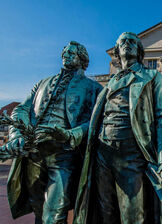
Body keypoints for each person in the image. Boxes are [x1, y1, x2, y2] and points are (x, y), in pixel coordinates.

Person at [73, 32, 162, 224]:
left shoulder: (152, 76)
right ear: (116, 51)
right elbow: (93, 120)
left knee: (133, 216)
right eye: (122, 41)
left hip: (132, 153)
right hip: (103, 153)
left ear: (139, 50)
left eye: (132, 41)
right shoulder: (111, 82)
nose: (127, 44)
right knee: (106, 211)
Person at [6, 41, 102, 224]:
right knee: (38, 208)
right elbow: (21, 109)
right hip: (34, 152)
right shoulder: (43, 83)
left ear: (82, 59)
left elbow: (98, 121)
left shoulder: (94, 88)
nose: (65, 55)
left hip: (65, 155)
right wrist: (17, 135)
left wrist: (72, 134)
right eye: (64, 53)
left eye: (71, 53)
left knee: (54, 213)